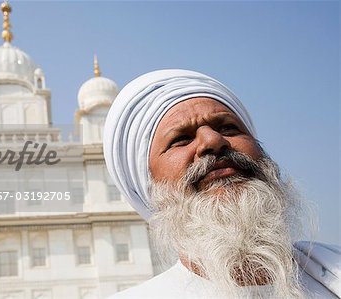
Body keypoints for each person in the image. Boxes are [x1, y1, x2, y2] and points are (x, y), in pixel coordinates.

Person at [103, 69, 340, 299]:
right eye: (182, 139)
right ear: (149, 187)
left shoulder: (332, 274)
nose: (214, 140)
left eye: (228, 128)